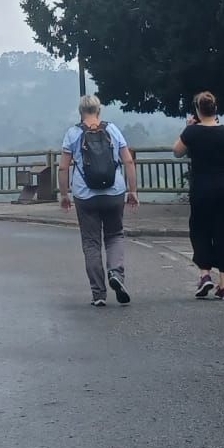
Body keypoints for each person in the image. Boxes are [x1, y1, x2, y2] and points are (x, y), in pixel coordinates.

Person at [59, 94, 138, 306]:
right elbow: (128, 161)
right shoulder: (112, 129)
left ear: (80, 112)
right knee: (115, 235)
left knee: (91, 242)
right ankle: (116, 274)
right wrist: (132, 191)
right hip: (114, 193)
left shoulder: (73, 133)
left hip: (85, 196)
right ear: (99, 110)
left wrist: (64, 194)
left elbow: (63, 167)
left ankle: (99, 294)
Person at [174, 91, 224, 300]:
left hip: (202, 189)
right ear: (216, 109)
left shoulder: (192, 132)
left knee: (201, 230)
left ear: (198, 110)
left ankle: (205, 274)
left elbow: (177, 151)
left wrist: (188, 127)